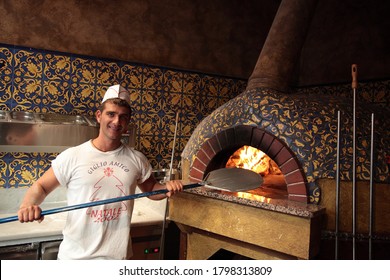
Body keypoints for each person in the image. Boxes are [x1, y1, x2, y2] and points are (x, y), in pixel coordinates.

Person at [17, 84, 184, 260]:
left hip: (117, 259)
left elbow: (151, 189)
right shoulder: (73, 156)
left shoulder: (137, 159)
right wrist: (27, 205)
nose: (116, 122)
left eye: (123, 117)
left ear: (128, 123)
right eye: (111, 114)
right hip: (75, 261)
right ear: (99, 116)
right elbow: (41, 186)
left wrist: (167, 188)